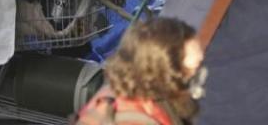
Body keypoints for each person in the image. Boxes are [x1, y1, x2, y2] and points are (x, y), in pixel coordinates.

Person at [75, 17, 206, 125]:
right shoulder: (133, 119)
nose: (199, 75)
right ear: (166, 73)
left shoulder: (131, 88)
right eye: (193, 69)